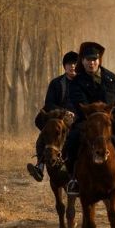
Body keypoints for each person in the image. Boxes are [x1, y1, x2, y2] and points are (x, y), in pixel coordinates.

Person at [64, 42, 115, 196]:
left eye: (94, 59)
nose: (91, 63)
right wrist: (92, 112)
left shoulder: (110, 77)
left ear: (99, 60)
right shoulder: (77, 81)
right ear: (82, 61)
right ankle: (73, 180)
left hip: (110, 119)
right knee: (71, 142)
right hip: (86, 120)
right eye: (87, 60)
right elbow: (78, 102)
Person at [26, 51, 78, 182]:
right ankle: (40, 166)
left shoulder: (84, 83)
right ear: (64, 66)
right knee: (43, 137)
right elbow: (49, 102)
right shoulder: (56, 83)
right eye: (69, 64)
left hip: (79, 117)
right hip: (58, 117)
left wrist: (76, 113)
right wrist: (63, 112)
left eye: (75, 63)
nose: (72, 66)